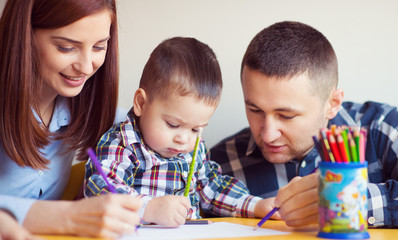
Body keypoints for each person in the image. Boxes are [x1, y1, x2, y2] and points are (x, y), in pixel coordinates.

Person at [210, 21, 398, 228]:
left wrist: (348, 204)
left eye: (286, 115)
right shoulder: (216, 167)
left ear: (332, 104)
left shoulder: (384, 128)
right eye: (255, 110)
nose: (267, 135)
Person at [84, 37, 278, 227]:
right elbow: (101, 188)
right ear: (141, 103)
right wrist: (148, 209)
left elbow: (212, 188)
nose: (184, 139)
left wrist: (257, 205)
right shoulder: (123, 143)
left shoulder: (195, 149)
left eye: (196, 129)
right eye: (172, 125)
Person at [0, 0, 142, 238]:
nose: (86, 67)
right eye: (66, 48)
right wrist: (67, 216)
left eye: (99, 47)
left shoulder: (89, 110)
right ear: (24, 36)